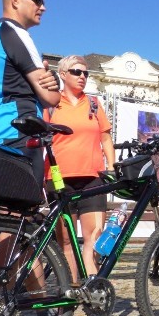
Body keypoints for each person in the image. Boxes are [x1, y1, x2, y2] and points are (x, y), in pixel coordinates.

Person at [0, 0, 61, 316]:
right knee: (17, 226)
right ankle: (9, 310)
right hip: (19, 131)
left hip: (1, 129)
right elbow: (52, 97)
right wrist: (49, 83)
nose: (43, 6)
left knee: (13, 225)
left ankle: (19, 307)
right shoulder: (16, 33)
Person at [44, 55, 115, 284]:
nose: (82, 76)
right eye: (76, 72)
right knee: (65, 241)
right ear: (63, 74)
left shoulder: (94, 103)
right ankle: (71, 290)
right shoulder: (52, 103)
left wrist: (112, 168)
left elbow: (105, 139)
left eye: (86, 73)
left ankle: (91, 286)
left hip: (93, 178)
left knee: (94, 236)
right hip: (58, 178)